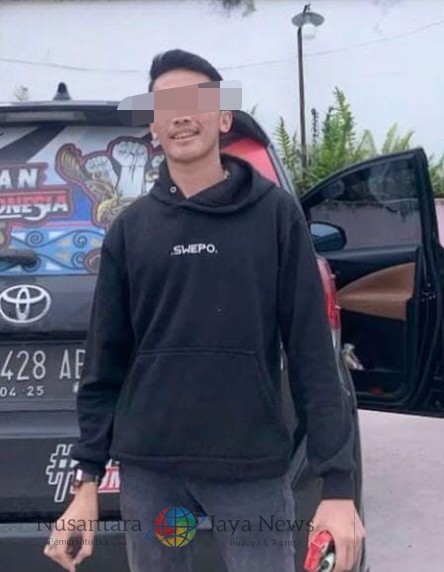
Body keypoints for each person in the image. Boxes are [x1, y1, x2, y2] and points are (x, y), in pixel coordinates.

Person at [44, 49, 365, 572]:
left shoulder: (275, 217)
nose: (181, 115)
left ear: (223, 117)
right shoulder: (130, 231)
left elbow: (312, 355)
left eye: (196, 100)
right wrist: (86, 485)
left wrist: (339, 487)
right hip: (153, 476)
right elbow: (104, 368)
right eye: (166, 105)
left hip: (250, 471)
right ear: (153, 126)